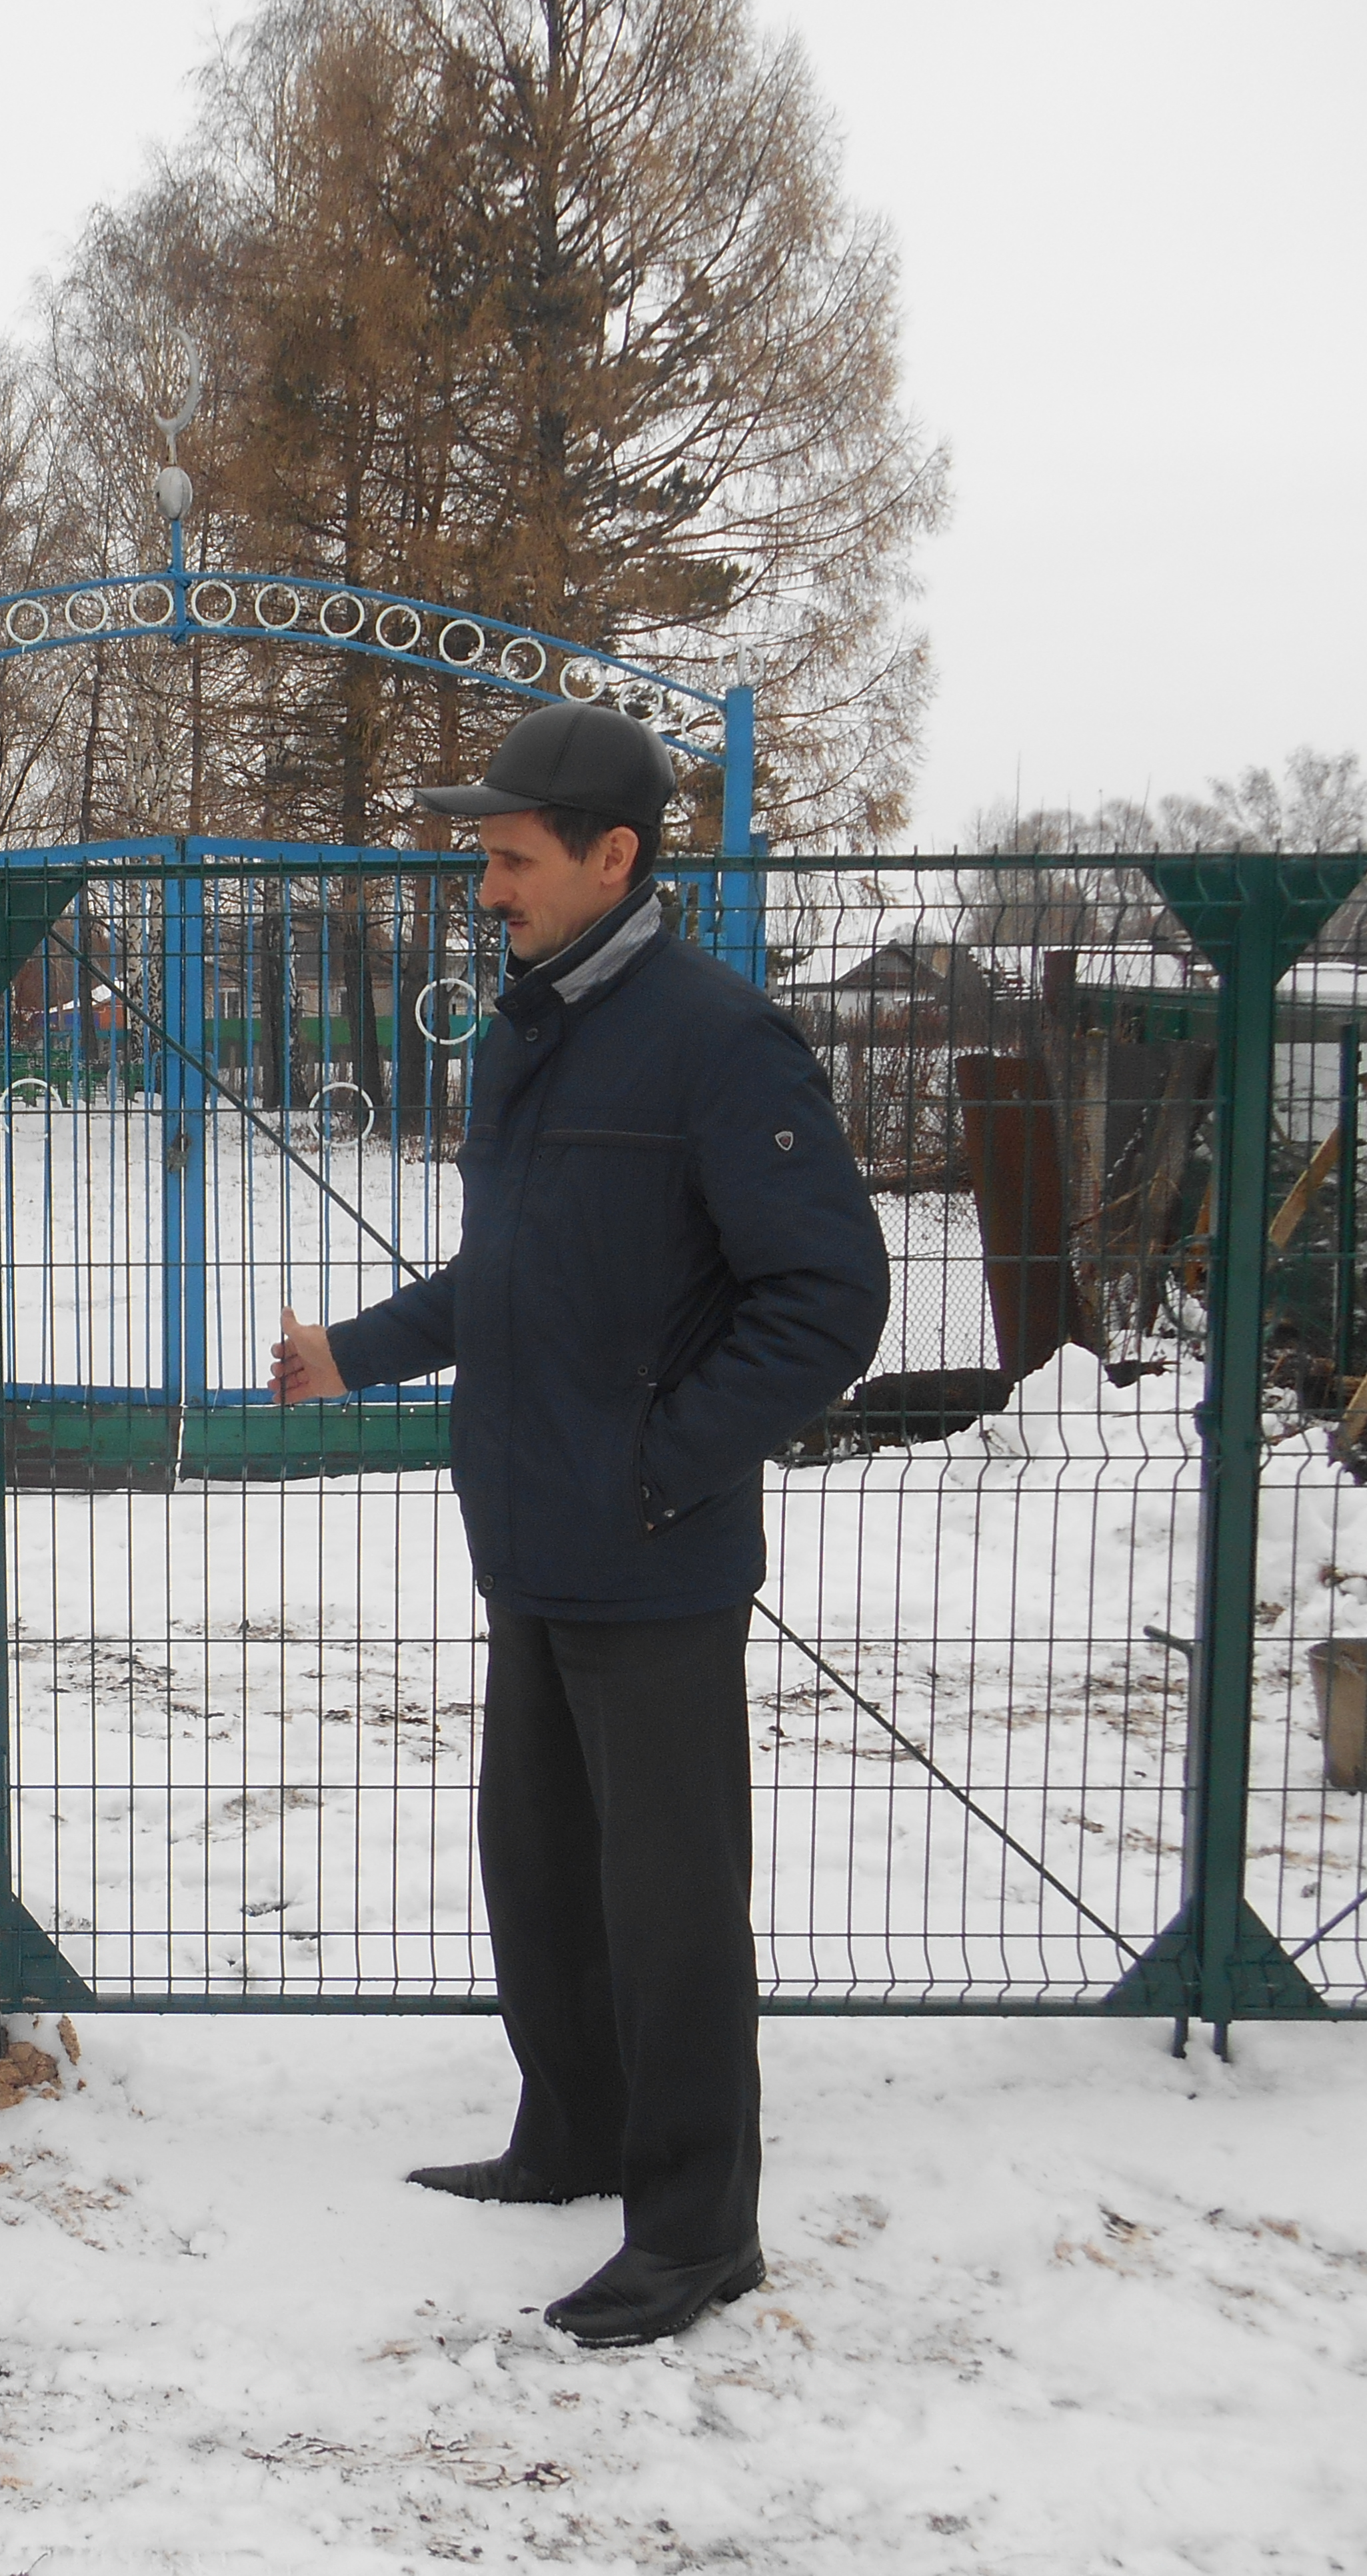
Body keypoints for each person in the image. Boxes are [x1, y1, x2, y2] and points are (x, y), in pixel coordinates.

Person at [269, 701, 888, 2349]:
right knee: (542, 1876)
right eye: (483, 861)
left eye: (510, 861)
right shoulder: (537, 1029)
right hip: (534, 1537)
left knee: (671, 1907)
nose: (485, 890)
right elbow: (515, 1274)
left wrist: (656, 1463)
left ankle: (697, 2227)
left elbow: (829, 1298)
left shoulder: (714, 1040)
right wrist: (357, 1352)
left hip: (648, 1549)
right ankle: (575, 2137)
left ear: (615, 859)